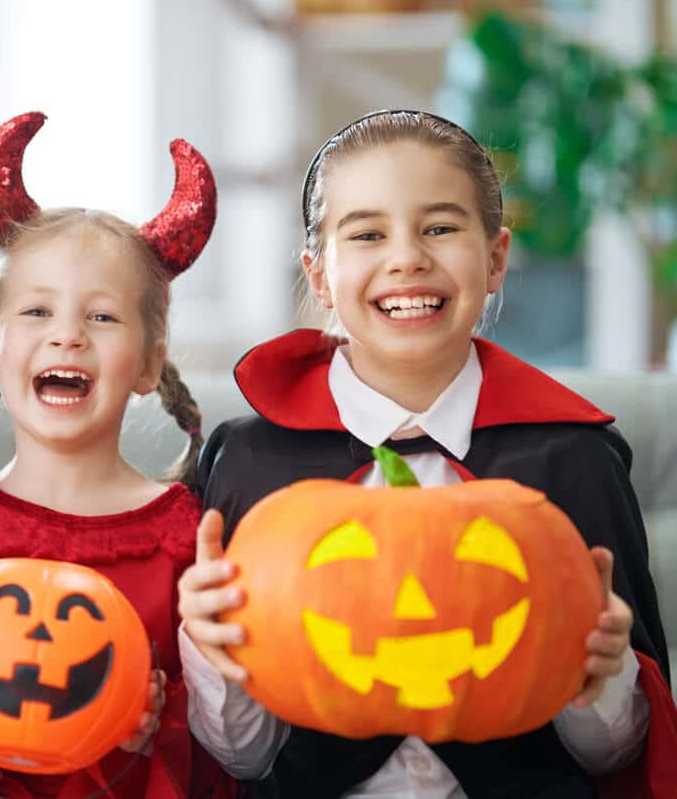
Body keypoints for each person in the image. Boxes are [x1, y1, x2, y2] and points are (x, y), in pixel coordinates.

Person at [176, 109, 677, 798]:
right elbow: (241, 761)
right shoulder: (250, 463)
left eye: (439, 227)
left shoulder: (575, 460)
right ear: (319, 275)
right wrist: (209, 651)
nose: (407, 256)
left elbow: (616, 757)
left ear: (496, 258)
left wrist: (602, 671)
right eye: (368, 233)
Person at [0, 111, 236, 799]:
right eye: (37, 312)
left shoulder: (188, 541)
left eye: (102, 316)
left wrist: (159, 724)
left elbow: (221, 741)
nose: (67, 337)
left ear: (148, 365)